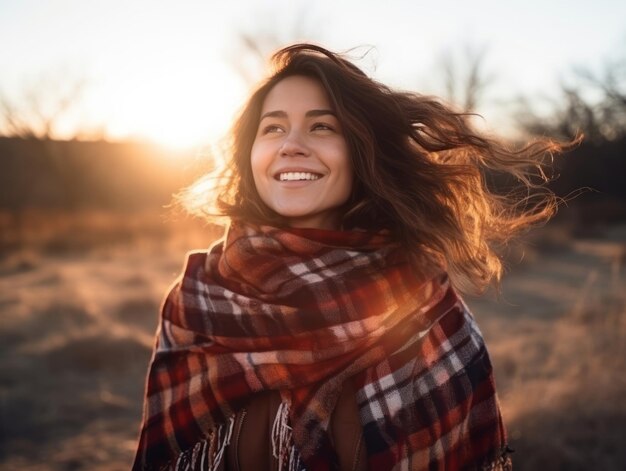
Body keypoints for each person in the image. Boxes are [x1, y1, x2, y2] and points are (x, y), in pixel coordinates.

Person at [133, 43, 568, 470]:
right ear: (250, 156)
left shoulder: (425, 303)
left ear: (361, 153)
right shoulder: (197, 300)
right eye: (273, 128)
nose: (292, 145)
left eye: (322, 127)